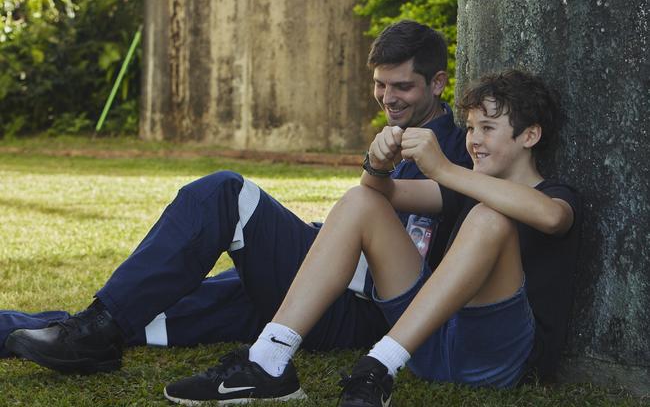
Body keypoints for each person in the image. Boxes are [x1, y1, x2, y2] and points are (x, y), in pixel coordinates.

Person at [3, 20, 472, 373]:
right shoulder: (400, 133)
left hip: (358, 309)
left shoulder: (457, 149)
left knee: (227, 192)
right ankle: (46, 330)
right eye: (380, 84)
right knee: (148, 309)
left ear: (437, 83)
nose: (388, 97)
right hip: (320, 275)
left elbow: (407, 203)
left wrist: (378, 168)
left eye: (402, 86)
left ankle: (92, 331)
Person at [161, 69, 581, 406]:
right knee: (360, 200)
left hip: (495, 358)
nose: (473, 140)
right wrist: (378, 162)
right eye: (471, 128)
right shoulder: (463, 185)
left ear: (530, 136)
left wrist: (446, 169)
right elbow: (381, 193)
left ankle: (379, 365)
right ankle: (269, 360)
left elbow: (551, 218)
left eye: (488, 128)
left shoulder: (554, 194)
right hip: (429, 342)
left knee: (490, 218)